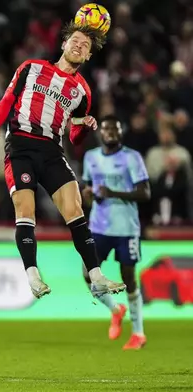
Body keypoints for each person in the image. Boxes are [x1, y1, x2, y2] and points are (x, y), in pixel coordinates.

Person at [0, 22, 126, 299]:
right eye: (75, 40)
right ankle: (33, 275)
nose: (79, 46)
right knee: (25, 211)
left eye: (85, 46)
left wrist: (83, 124)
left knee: (75, 208)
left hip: (51, 151)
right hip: (21, 146)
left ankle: (96, 276)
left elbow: (74, 137)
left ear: (87, 57)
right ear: (63, 43)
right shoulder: (31, 67)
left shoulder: (82, 90)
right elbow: (8, 98)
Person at [82, 115, 150, 350]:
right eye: (106, 129)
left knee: (129, 278)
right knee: (88, 273)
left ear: (121, 132)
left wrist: (113, 192)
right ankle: (115, 309)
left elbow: (145, 193)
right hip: (99, 227)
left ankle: (138, 334)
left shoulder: (132, 157)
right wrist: (88, 194)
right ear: (100, 133)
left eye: (115, 128)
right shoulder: (90, 157)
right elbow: (87, 187)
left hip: (126, 228)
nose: (110, 132)